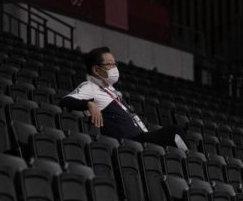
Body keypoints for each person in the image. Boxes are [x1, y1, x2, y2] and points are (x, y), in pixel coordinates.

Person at [59, 46, 189, 151]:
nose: (114, 68)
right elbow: (65, 100)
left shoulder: (111, 91)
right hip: (128, 141)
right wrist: (89, 104)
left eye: (114, 64)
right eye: (109, 64)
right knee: (174, 132)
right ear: (96, 69)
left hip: (140, 137)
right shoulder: (90, 86)